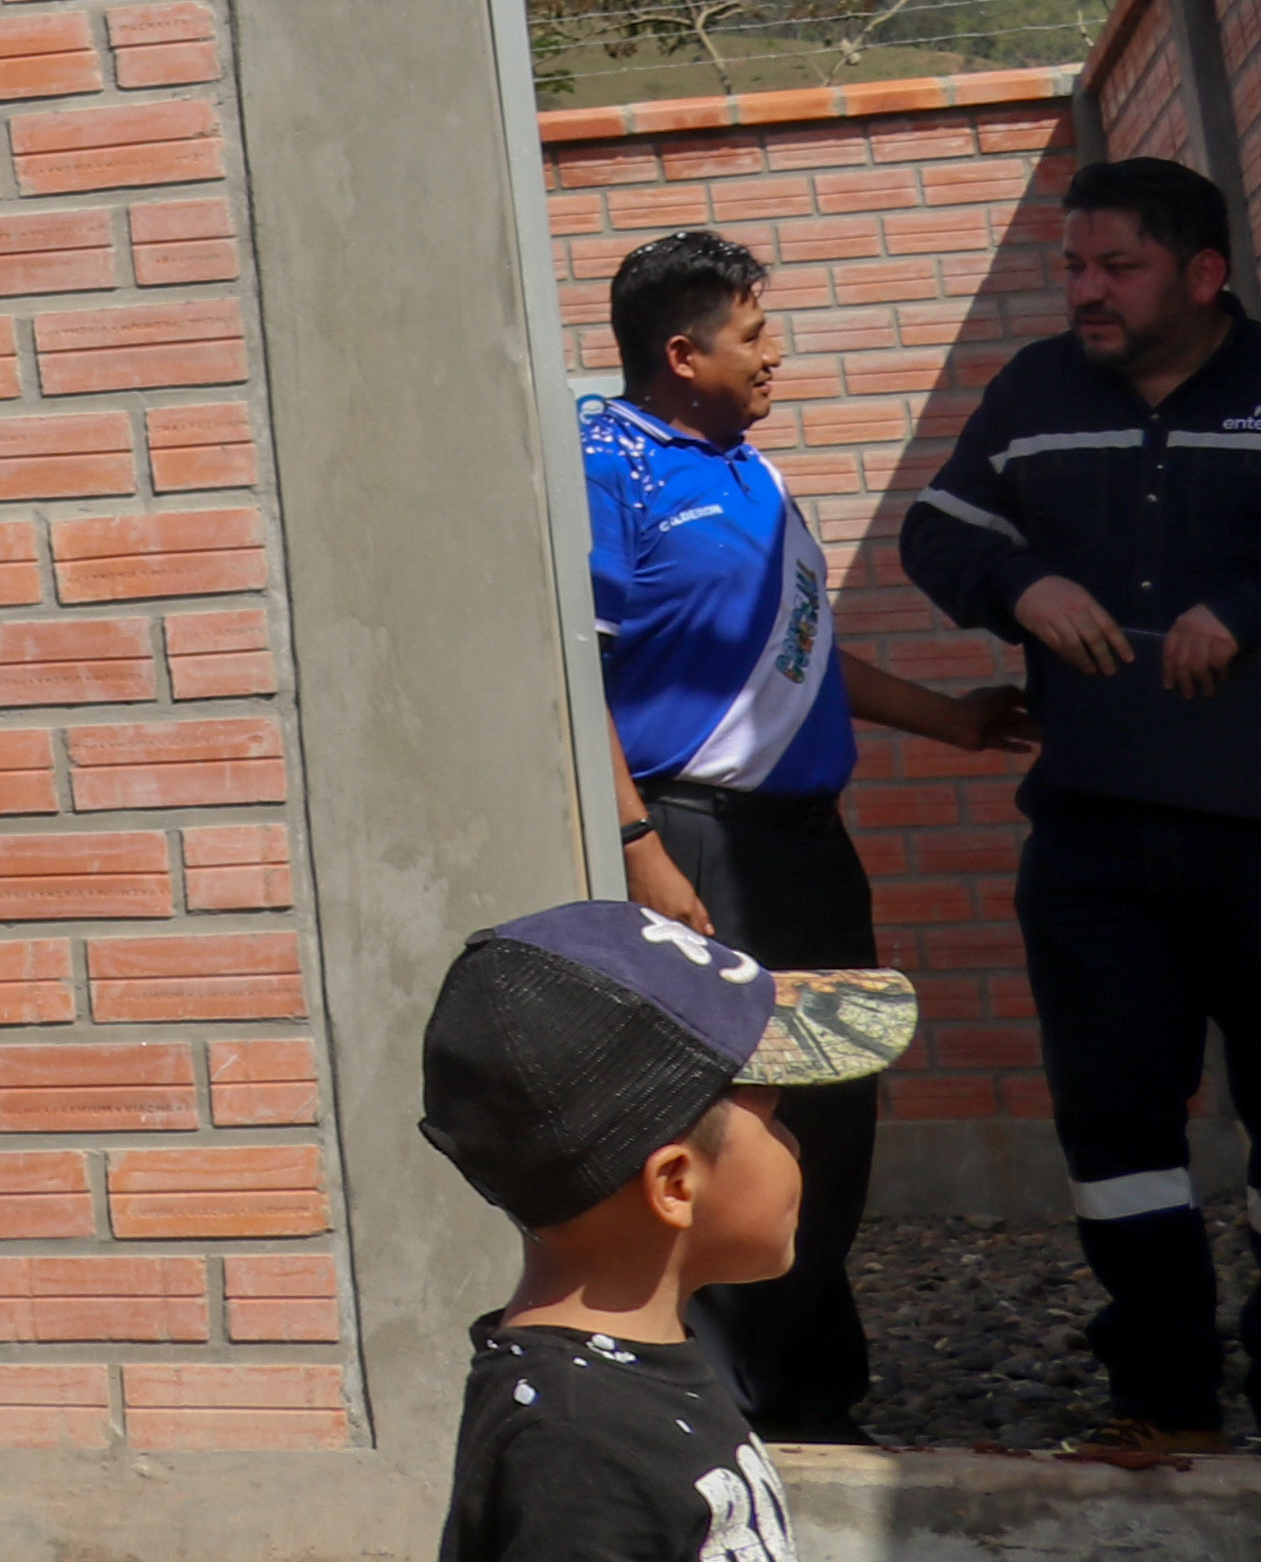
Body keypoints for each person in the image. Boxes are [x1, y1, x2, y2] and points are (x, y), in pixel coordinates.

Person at [578, 223, 1027, 1440]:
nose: (777, 357)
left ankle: (816, 1399)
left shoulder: (756, 476)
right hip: (694, 844)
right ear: (682, 353)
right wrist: (640, 849)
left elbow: (801, 660)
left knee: (831, 1110)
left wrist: (955, 722)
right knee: (728, 1125)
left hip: (803, 841)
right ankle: (718, 1411)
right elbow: (566, 672)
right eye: (755, 336)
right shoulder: (605, 467)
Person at [898, 150, 1261, 1463]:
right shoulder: (1035, 389)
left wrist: (1243, 608)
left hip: (1254, 836)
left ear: (1204, 274)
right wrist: (1020, 586)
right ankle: (1161, 1400)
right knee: (1114, 1129)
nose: (1086, 291)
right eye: (1071, 266)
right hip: (1095, 836)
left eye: (1117, 267)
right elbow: (933, 533)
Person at [415, 899, 914, 1562]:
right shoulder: (578, 1450)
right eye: (772, 1119)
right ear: (675, 1184)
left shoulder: (623, 1385)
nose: (794, 1145)